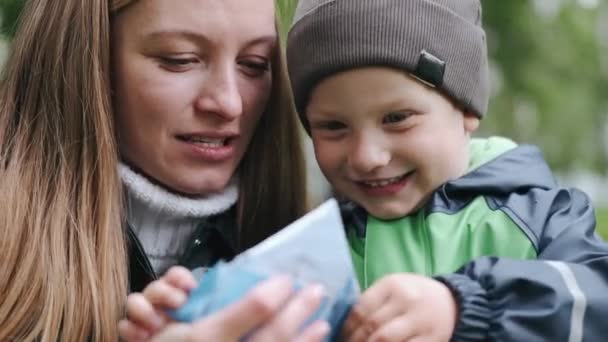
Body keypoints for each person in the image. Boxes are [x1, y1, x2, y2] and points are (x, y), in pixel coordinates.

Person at [0, 0, 326, 341]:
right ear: (84, 59)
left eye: (254, 64)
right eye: (179, 60)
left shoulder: (329, 251)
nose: (229, 103)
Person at [285, 0, 608, 340]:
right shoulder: (320, 247)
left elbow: (597, 297)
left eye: (397, 118)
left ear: (466, 108)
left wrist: (467, 308)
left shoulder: (536, 216)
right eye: (334, 126)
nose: (366, 157)